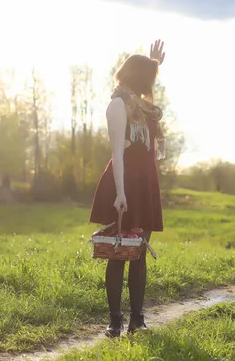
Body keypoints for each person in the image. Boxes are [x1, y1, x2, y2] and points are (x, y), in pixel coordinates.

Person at [89, 40, 166, 337]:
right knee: (118, 253)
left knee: (139, 253)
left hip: (146, 184)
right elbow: (117, 152)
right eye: (150, 78)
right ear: (139, 78)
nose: (152, 86)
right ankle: (115, 321)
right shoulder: (118, 105)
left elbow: (145, 85)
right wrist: (120, 193)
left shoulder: (142, 107)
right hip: (124, 184)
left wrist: (154, 62)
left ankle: (138, 320)